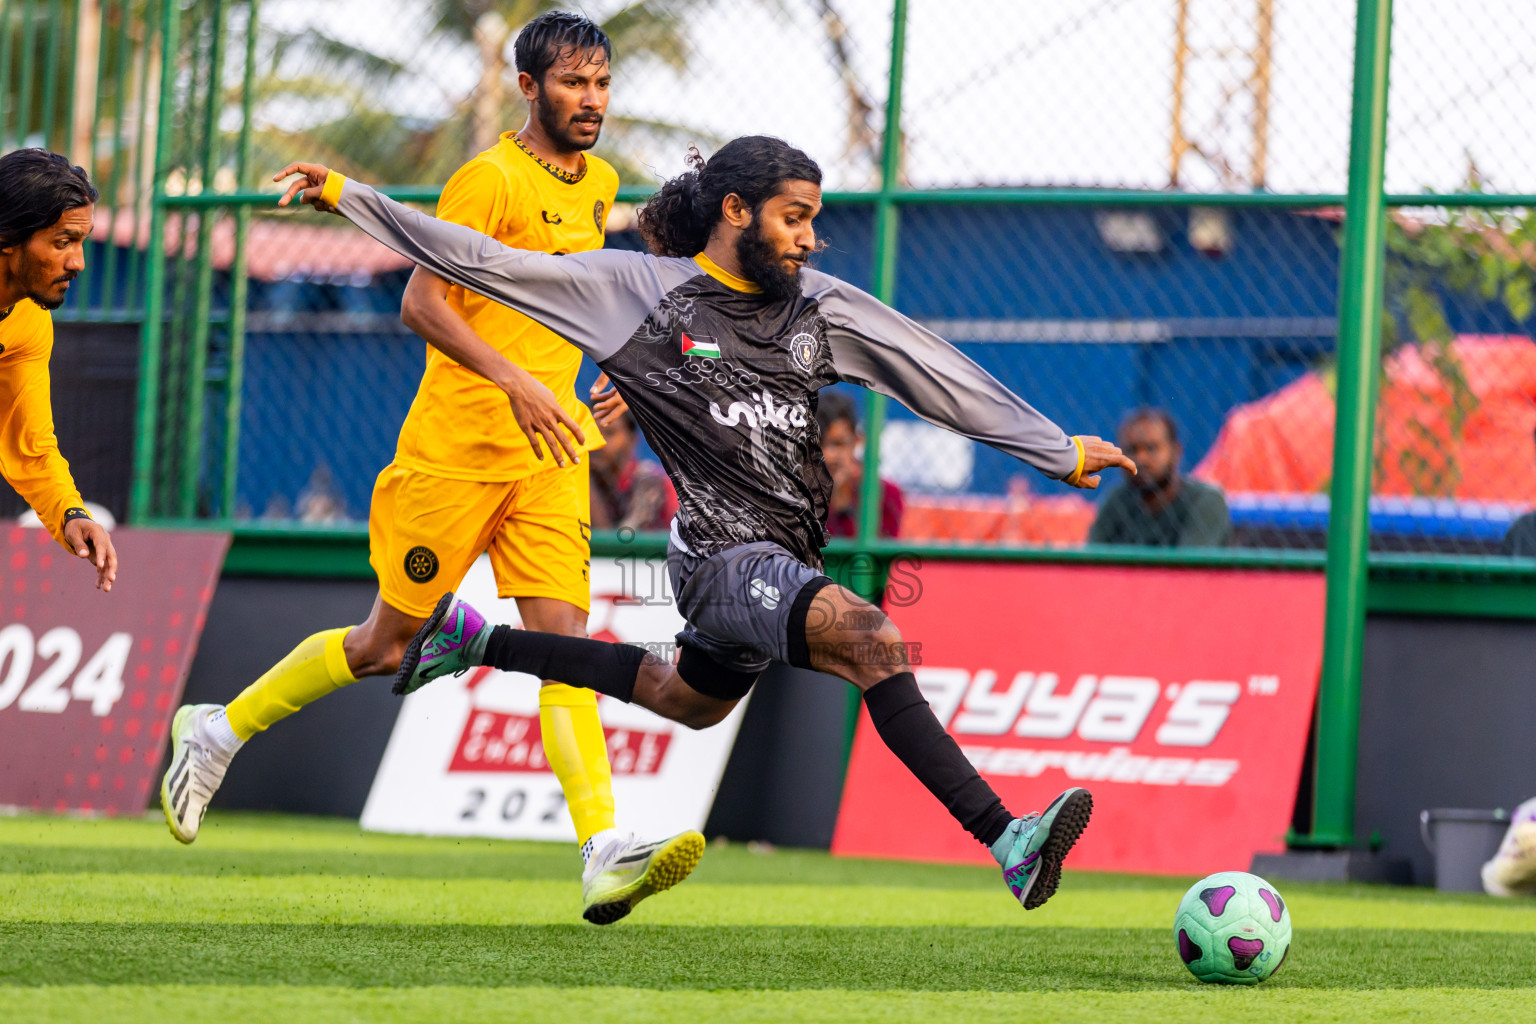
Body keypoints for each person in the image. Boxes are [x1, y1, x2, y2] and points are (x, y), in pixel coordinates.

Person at [275, 134, 1135, 912]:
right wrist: (352, 196)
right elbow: (484, 262)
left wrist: (1053, 449)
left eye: (814, 222)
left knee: (683, 700)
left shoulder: (820, 308)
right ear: (735, 212)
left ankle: (469, 643)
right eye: (794, 218)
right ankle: (1007, 838)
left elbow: (929, 368)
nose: (809, 238)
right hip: (720, 557)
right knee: (870, 638)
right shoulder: (635, 294)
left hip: (782, 562)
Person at [161, 12, 700, 927]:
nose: (592, 101)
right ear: (530, 88)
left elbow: (573, 301)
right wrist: (516, 381)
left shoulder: (601, 182)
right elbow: (421, 301)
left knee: (567, 651)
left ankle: (603, 849)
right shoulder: (486, 179)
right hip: (453, 456)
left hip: (547, 460)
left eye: (602, 84)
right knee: (383, 646)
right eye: (574, 83)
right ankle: (216, 731)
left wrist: (614, 373)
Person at [0, 149, 117, 591]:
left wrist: (71, 512)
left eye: (81, 241)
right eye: (63, 241)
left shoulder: (28, 321)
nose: (78, 262)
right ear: (8, 235)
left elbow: (28, 444)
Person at [1088, 407, 1230, 547]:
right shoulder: (1116, 501)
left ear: (1176, 452)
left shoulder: (1205, 500)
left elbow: (1189, 568)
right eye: (1132, 450)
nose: (1141, 459)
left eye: (1151, 448)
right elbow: (1091, 562)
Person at [816, 390, 903, 538]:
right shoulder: (797, 493)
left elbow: (881, 554)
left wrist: (844, 502)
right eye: (819, 445)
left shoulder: (884, 494)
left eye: (839, 444)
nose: (829, 455)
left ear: (857, 441)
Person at [588, 405, 677, 532]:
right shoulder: (571, 484)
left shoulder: (658, 486)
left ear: (632, 439)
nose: (597, 442)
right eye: (590, 432)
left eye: (609, 433)